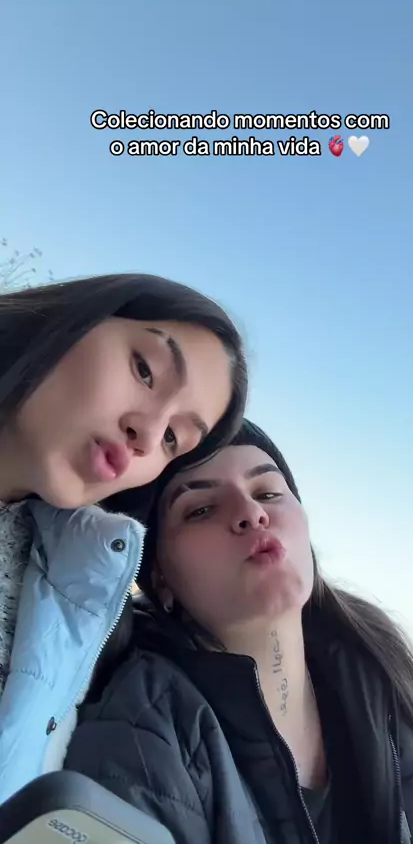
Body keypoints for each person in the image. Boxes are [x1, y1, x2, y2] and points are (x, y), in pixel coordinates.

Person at [66, 419, 413, 844]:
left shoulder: (378, 673)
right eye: (201, 509)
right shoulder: (141, 730)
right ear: (160, 579)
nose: (251, 513)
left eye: (267, 493)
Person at [0, 272, 247, 804]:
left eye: (174, 438)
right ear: (70, 319)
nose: (148, 433)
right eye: (145, 370)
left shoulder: (75, 608)